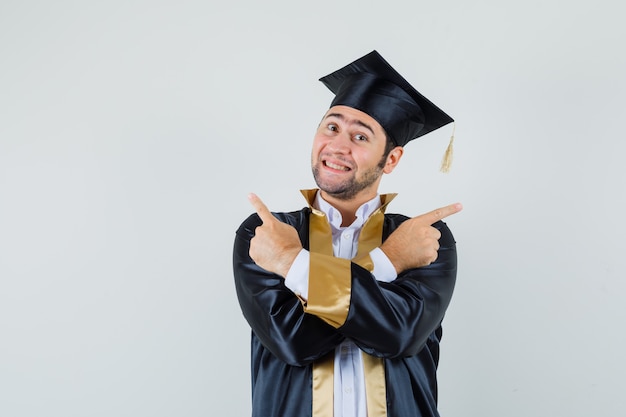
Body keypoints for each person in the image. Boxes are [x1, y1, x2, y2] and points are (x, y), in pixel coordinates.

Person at [233, 50, 462, 417]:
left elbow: (398, 335)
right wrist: (389, 262)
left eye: (360, 136)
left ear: (391, 159)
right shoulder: (267, 233)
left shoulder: (425, 238)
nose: (338, 146)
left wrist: (293, 264)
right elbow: (293, 341)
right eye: (332, 127)